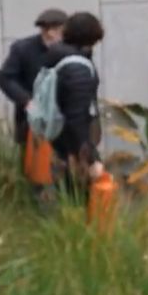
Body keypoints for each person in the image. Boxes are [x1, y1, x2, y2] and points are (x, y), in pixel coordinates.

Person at [44, 11, 106, 187]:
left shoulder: (58, 56)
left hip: (58, 142)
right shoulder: (77, 68)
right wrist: (90, 159)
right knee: (80, 200)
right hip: (71, 149)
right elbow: (76, 116)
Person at [0, 8, 68, 147]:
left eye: (56, 30)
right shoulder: (23, 49)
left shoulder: (72, 49)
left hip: (65, 121)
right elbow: (5, 78)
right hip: (32, 120)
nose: (51, 34)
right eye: (46, 30)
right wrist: (27, 101)